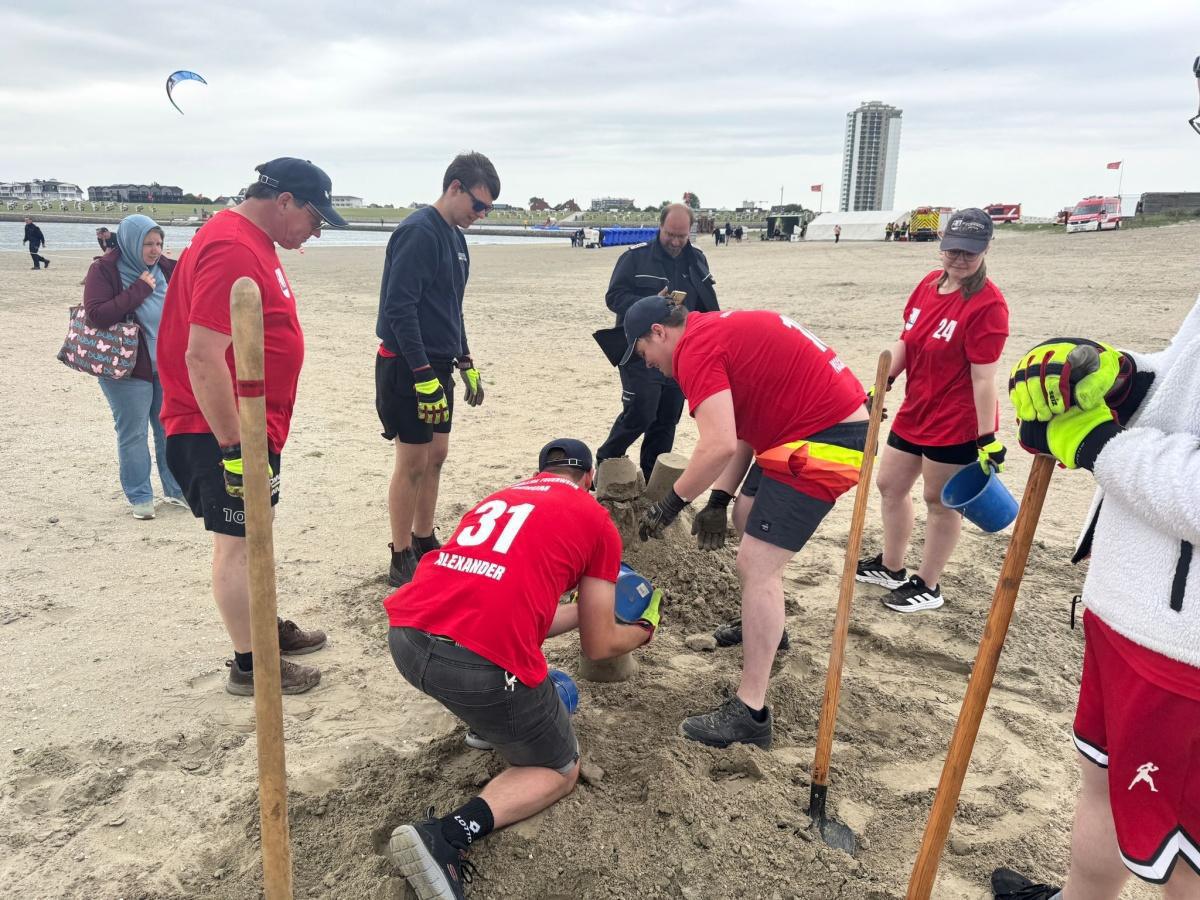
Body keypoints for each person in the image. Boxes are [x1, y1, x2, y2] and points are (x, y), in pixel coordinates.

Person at [384, 439, 660, 899]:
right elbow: (599, 647)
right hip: (478, 671)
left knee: (507, 672)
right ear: (589, 480)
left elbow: (510, 607)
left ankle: (486, 727)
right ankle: (447, 836)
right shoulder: (597, 522)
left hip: (408, 640)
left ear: (539, 473)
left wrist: (583, 612)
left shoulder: (500, 498)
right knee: (559, 767)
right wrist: (644, 629)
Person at [990, 324, 1200, 899]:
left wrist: (1099, 444)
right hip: (1130, 600)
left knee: (1183, 849)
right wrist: (1119, 379)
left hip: (1184, 647)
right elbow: (1187, 387)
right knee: (1104, 781)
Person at [624, 295, 868, 749]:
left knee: (757, 564)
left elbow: (715, 445)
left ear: (658, 333)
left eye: (643, 354)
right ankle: (769, 629)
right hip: (802, 427)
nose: (650, 365)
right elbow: (739, 432)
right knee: (744, 514)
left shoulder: (695, 351)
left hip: (828, 437)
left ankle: (750, 712)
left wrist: (671, 505)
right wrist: (718, 498)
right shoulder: (710, 332)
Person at [157, 157, 345, 696]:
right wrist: (235, 448)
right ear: (284, 200)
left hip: (251, 424)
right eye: (316, 217)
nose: (317, 228)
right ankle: (250, 662)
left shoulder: (250, 240)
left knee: (253, 534)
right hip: (220, 427)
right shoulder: (232, 245)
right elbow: (201, 356)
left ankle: (262, 628)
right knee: (236, 541)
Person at [856, 209, 1009, 612]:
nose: (960, 260)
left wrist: (986, 438)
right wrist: (884, 381)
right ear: (942, 245)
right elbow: (908, 340)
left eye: (969, 253)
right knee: (890, 483)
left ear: (987, 249)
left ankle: (928, 584)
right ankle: (891, 567)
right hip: (917, 407)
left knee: (938, 500)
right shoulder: (928, 285)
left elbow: (983, 379)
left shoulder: (988, 306)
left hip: (956, 419)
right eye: (953, 250)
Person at [376, 152, 499, 588]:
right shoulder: (417, 232)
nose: (481, 216)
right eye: (478, 206)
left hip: (439, 363)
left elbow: (451, 307)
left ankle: (424, 537)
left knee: (437, 455)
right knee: (411, 460)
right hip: (407, 364)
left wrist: (464, 359)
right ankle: (400, 554)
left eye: (487, 210)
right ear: (454, 188)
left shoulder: (456, 237)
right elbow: (400, 308)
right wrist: (423, 373)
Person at [596, 204, 719, 480]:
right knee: (642, 410)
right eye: (670, 234)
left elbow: (707, 305)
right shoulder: (635, 258)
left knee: (667, 418)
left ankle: (653, 479)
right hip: (641, 349)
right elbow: (613, 297)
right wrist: (648, 303)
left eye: (682, 236)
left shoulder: (697, 260)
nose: (675, 242)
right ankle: (607, 460)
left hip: (680, 352)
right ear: (660, 227)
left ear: (690, 232)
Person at [83, 214, 186, 519]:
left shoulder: (169, 268)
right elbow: (96, 316)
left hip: (167, 366)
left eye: (159, 243)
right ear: (129, 242)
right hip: (126, 369)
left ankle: (177, 490)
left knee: (169, 430)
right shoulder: (104, 269)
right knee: (133, 433)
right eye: (147, 244)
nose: (155, 250)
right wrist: (139, 290)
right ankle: (140, 497)